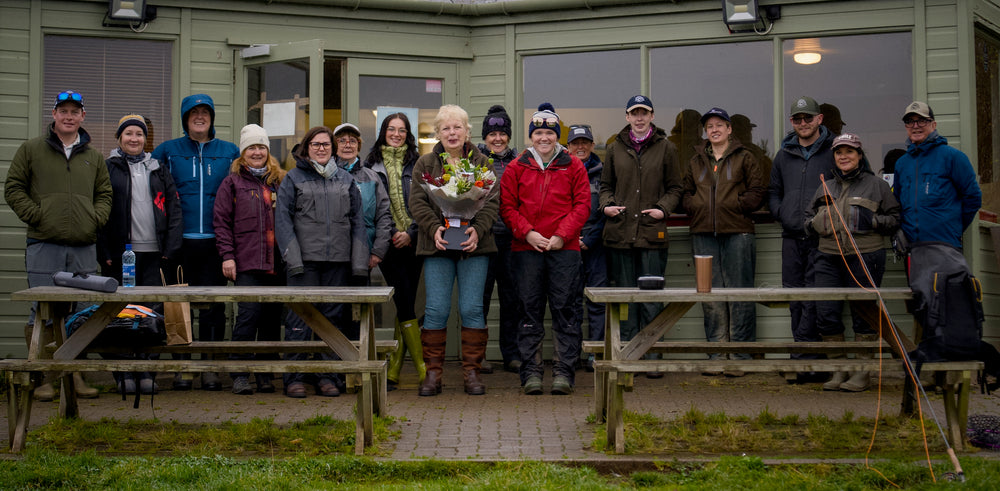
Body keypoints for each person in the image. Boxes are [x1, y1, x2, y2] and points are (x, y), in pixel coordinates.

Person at [4, 89, 111, 401]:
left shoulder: (93, 156)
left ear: (82, 117)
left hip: (83, 246)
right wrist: (37, 216)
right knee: (43, 311)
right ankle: (43, 379)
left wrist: (94, 219)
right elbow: (13, 188)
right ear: (53, 115)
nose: (68, 116)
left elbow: (104, 193)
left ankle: (74, 377)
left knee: (80, 312)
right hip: (43, 244)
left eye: (74, 111)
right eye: (62, 111)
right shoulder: (32, 149)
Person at [152, 94, 240, 391]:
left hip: (216, 242)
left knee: (214, 307)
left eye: (205, 112)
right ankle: (184, 367)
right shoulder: (167, 151)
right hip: (180, 242)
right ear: (185, 118)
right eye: (194, 113)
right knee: (179, 306)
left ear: (212, 118)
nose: (200, 117)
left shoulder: (229, 152)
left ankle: (211, 367)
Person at [500, 103, 590, 395]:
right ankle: (531, 373)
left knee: (565, 310)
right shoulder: (516, 167)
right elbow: (507, 207)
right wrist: (528, 233)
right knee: (529, 311)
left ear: (556, 136)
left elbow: (582, 206)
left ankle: (564, 372)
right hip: (527, 250)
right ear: (531, 137)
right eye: (538, 133)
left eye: (549, 133)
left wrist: (562, 236)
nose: (544, 138)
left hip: (565, 250)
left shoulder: (573, 165)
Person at [410, 104, 498, 397]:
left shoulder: (483, 162)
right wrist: (434, 228)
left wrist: (478, 229)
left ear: (466, 131)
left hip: (474, 245)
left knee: (472, 309)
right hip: (438, 245)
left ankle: (472, 373)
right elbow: (418, 203)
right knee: (436, 310)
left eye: (457, 127)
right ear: (437, 133)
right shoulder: (425, 164)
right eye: (445, 128)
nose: (452, 132)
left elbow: (493, 202)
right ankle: (433, 375)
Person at [276, 125, 368, 398]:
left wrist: (358, 264)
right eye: (315, 144)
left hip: (337, 263)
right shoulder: (293, 179)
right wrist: (293, 260)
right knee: (299, 320)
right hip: (303, 264)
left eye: (325, 144)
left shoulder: (345, 180)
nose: (321, 148)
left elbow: (358, 223)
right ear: (306, 148)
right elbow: (282, 222)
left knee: (331, 320)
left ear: (332, 147)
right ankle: (294, 378)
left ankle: (327, 375)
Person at [804, 133, 900, 392]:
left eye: (849, 151)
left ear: (860, 156)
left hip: (866, 255)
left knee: (864, 315)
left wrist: (874, 221)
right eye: (839, 152)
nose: (843, 156)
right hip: (827, 256)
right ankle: (838, 369)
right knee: (826, 314)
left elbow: (895, 218)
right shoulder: (825, 185)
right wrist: (813, 224)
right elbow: (806, 219)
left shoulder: (876, 185)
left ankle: (861, 372)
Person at [98, 114, 184, 395]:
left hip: (154, 255)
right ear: (119, 138)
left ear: (146, 139)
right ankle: (124, 371)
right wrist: (104, 250)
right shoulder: (108, 168)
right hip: (121, 255)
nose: (134, 139)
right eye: (128, 134)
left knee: (151, 313)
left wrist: (170, 249)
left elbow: (173, 209)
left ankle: (147, 368)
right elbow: (99, 211)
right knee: (120, 313)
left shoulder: (158, 169)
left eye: (139, 134)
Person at [598, 95, 684, 370]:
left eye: (643, 113)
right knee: (625, 300)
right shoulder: (614, 148)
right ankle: (627, 356)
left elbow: (676, 189)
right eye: (634, 113)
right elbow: (605, 187)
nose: (638, 118)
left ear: (652, 116)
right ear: (626, 117)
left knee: (650, 299)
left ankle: (653, 358)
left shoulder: (666, 147)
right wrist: (608, 206)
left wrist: (663, 209)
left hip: (651, 235)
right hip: (620, 233)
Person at [682, 108, 765, 376]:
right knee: (710, 295)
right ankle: (717, 353)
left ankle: (740, 355)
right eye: (709, 126)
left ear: (730, 129)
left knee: (740, 293)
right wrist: (695, 205)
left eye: (719, 125)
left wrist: (737, 206)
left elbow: (758, 191)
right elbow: (685, 192)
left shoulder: (745, 157)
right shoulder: (695, 160)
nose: (714, 129)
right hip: (703, 233)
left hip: (738, 232)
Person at [213, 124, 287, 395]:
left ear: (268, 152)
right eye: (252, 148)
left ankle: (265, 374)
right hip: (246, 263)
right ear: (242, 154)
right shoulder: (232, 183)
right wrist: (227, 256)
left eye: (261, 147)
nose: (257, 152)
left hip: (277, 263)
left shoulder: (280, 181)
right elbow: (221, 222)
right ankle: (240, 373)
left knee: (270, 320)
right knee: (247, 318)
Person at [767, 96, 835, 384]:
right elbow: (773, 192)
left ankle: (818, 363)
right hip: (792, 237)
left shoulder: (835, 150)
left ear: (819, 119)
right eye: (798, 119)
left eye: (808, 118)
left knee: (818, 301)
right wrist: (782, 212)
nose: (803, 123)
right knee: (795, 298)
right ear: (792, 123)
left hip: (824, 239)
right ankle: (800, 359)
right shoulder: (784, 155)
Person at [364, 113, 426, 389]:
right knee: (403, 300)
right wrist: (391, 234)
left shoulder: (419, 163)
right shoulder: (370, 164)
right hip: (386, 242)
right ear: (383, 132)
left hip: (414, 240)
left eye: (402, 130)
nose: (397, 134)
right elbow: (372, 207)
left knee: (406, 302)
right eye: (392, 129)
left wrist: (411, 233)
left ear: (408, 134)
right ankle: (421, 368)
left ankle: (394, 369)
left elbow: (427, 201)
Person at [893, 101, 982, 250]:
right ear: (906, 127)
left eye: (921, 120)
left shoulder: (953, 157)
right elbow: (897, 203)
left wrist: (954, 229)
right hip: (913, 249)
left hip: (945, 247)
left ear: (933, 125)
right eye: (910, 122)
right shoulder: (902, 164)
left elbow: (973, 197)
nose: (916, 126)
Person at [477, 104, 521, 374]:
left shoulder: (520, 162)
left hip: (513, 239)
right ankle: (478, 354)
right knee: (479, 300)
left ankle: (512, 354)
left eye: (502, 133)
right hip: (483, 238)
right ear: (485, 136)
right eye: (492, 133)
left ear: (508, 136)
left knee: (512, 299)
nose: (497, 138)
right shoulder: (475, 161)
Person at [566, 124, 608, 372]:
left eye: (585, 142)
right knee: (569, 301)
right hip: (568, 245)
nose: (580, 147)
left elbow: (607, 211)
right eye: (575, 143)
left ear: (592, 145)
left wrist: (590, 238)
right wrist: (571, 236)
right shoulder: (563, 170)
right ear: (568, 147)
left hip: (596, 245)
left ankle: (596, 352)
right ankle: (572, 354)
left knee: (598, 301)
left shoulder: (604, 173)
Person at [334, 123, 392, 281]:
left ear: (358, 146)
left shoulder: (372, 177)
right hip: (332, 256)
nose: (348, 145)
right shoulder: (326, 177)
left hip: (364, 253)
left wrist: (377, 251)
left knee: (360, 302)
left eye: (352, 141)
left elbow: (384, 215)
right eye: (342, 141)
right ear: (334, 145)